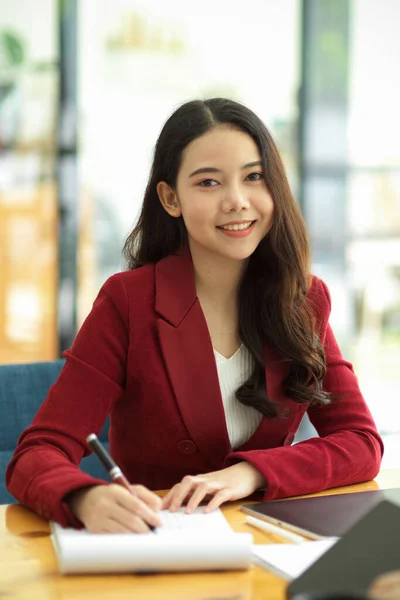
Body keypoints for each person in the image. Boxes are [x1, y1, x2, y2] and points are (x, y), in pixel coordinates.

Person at [6, 98, 383, 534]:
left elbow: (360, 443)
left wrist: (250, 472)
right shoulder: (127, 302)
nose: (237, 201)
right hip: (158, 545)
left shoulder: (303, 300)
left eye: (254, 177)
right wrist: (85, 497)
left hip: (265, 545)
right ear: (171, 199)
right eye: (208, 183)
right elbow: (37, 453)